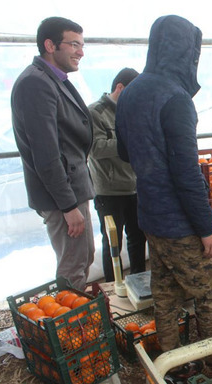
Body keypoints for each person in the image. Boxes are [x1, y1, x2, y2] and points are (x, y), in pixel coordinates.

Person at [115, 15, 212, 374]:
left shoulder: (131, 91)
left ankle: (172, 367)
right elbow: (186, 172)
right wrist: (207, 227)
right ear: (186, 52)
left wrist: (150, 157)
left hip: (150, 215)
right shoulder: (176, 98)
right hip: (181, 223)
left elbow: (123, 153)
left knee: (165, 294)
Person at [11, 17, 94, 290]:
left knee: (83, 258)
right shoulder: (35, 84)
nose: (80, 51)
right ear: (50, 45)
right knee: (73, 267)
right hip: (62, 197)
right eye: (73, 44)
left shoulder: (53, 80)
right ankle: (73, 327)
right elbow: (46, 154)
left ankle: (80, 323)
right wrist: (68, 207)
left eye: (81, 45)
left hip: (73, 191)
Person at [88, 68, 146, 282]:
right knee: (112, 242)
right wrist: (129, 141)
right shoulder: (95, 112)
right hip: (109, 191)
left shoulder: (134, 111)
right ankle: (113, 288)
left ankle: (140, 282)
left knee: (138, 238)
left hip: (135, 186)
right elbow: (95, 148)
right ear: (120, 87)